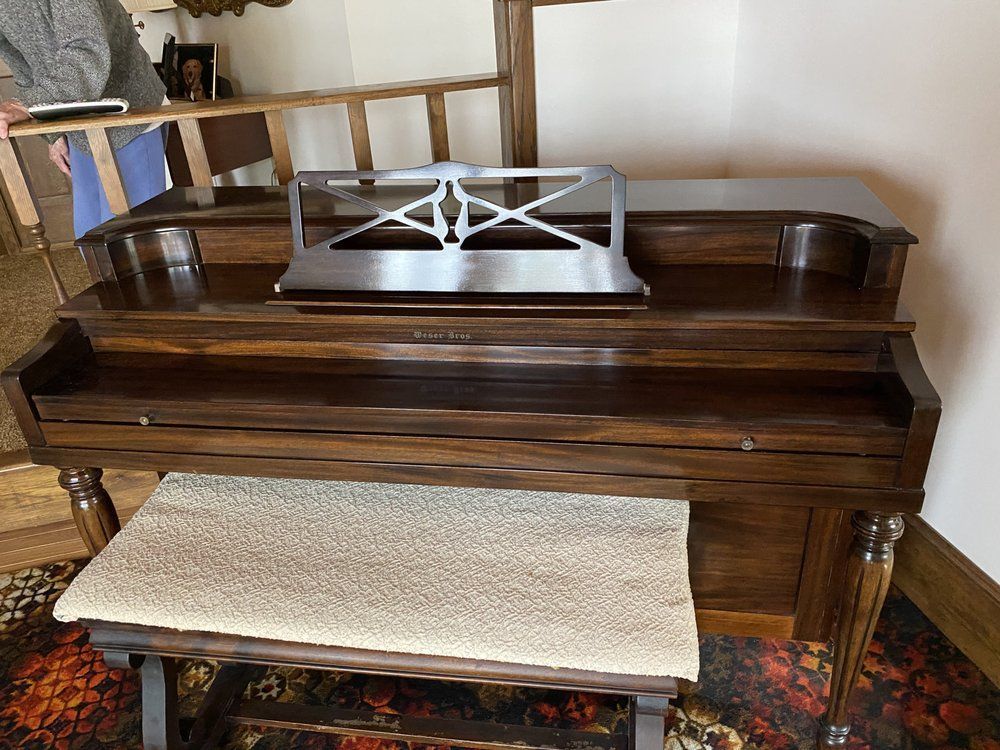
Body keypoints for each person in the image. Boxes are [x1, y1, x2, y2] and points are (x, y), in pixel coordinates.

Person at [0, 0, 168, 238]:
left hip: (128, 113)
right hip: (76, 121)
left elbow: (87, 50)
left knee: (130, 240)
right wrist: (53, 133)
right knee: (89, 237)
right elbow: (24, 66)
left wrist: (27, 104)